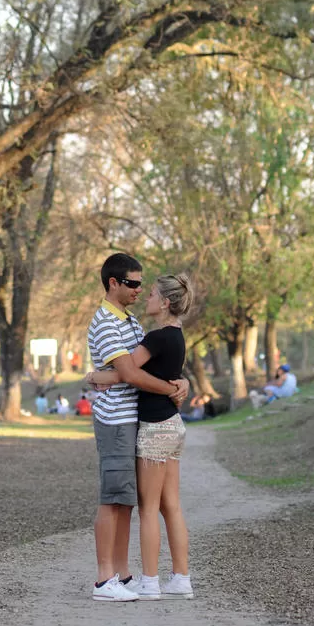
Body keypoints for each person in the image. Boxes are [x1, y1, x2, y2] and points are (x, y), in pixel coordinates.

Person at [87, 253, 189, 602]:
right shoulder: (105, 322)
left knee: (127, 501)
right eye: (132, 283)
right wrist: (172, 388)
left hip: (138, 420)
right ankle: (104, 579)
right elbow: (131, 374)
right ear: (113, 283)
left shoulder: (131, 322)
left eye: (143, 285)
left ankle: (124, 573)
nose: (139, 290)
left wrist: (180, 381)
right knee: (112, 497)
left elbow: (151, 366)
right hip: (115, 421)